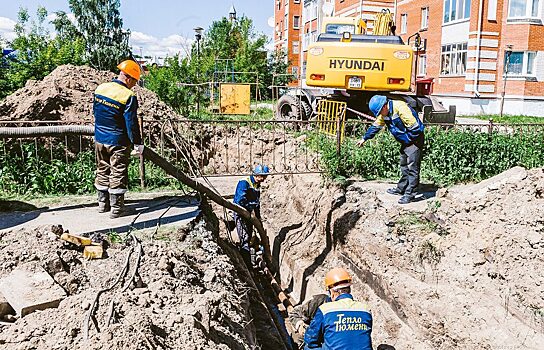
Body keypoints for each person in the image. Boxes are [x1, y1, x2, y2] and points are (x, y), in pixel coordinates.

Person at [93, 60, 143, 218]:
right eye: (135, 81)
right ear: (129, 78)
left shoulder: (101, 88)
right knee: (118, 172)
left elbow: (96, 112)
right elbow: (131, 123)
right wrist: (137, 142)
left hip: (100, 138)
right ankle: (117, 209)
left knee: (102, 168)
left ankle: (102, 204)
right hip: (118, 141)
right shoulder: (128, 96)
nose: (134, 85)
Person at [357, 95, 425, 204]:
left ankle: (410, 194)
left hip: (414, 139)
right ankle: (401, 189)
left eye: (379, 112)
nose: (379, 115)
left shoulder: (400, 108)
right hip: (406, 141)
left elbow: (415, 128)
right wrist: (364, 138)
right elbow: (376, 126)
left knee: (412, 167)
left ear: (384, 106)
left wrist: (408, 140)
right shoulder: (385, 113)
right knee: (404, 165)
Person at [304, 267, 372, 350]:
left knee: (308, 347)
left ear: (332, 292)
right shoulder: (365, 309)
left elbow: (311, 340)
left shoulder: (325, 309)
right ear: (349, 289)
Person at [233, 164, 269, 267]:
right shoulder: (244, 183)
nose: (263, 179)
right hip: (240, 213)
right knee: (244, 238)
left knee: (248, 238)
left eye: (265, 177)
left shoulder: (257, 185)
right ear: (257, 175)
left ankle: (249, 260)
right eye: (262, 176)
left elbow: (257, 203)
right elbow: (240, 200)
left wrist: (258, 217)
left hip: (249, 215)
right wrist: (249, 210)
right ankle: (247, 266)